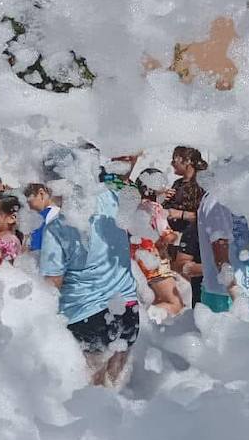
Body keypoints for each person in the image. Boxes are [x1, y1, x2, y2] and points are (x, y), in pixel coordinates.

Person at [37, 148, 140, 388]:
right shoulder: (112, 201)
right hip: (128, 311)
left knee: (89, 398)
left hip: (87, 318)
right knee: (116, 392)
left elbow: (52, 286)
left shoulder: (58, 226)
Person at [186, 187, 249, 318]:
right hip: (224, 296)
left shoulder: (238, 199)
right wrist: (234, 291)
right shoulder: (217, 200)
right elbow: (219, 246)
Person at [132, 168, 184, 317]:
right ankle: (142, 318)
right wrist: (179, 236)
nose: (165, 187)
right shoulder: (154, 208)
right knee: (175, 304)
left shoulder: (135, 207)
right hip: (154, 262)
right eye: (162, 183)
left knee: (155, 300)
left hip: (137, 263)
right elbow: (166, 235)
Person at [165, 146, 207, 305]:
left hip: (195, 244)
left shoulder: (202, 184)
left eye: (175, 158)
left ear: (188, 161)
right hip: (176, 242)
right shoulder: (177, 184)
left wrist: (180, 214)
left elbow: (208, 216)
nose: (171, 163)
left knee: (194, 286)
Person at [23, 182, 61, 253]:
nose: (29, 206)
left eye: (29, 201)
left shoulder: (46, 216)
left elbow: (36, 248)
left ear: (41, 193)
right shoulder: (60, 214)